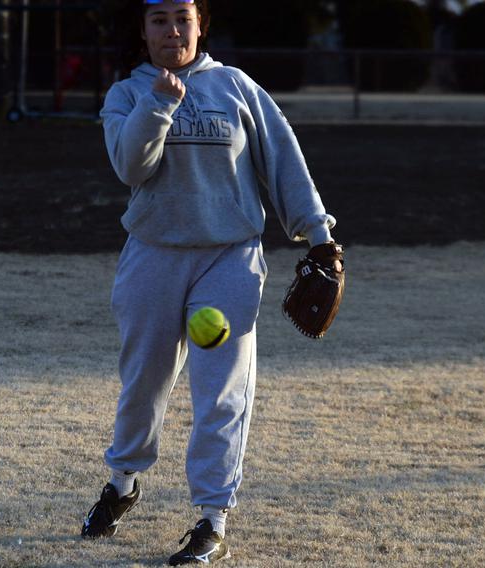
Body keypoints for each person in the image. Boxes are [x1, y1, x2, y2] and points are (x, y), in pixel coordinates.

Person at [81, 0, 338, 564]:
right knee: (143, 383)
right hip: (153, 255)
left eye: (183, 17)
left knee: (220, 390)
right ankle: (123, 484)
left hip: (230, 257)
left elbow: (283, 161)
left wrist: (318, 234)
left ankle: (212, 519)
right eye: (158, 20)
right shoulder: (126, 95)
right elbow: (132, 166)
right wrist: (159, 104)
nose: (172, 29)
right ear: (142, 32)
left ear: (199, 25)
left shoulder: (236, 87)